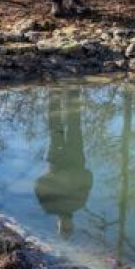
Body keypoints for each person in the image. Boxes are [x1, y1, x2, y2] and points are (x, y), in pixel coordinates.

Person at [34, 88, 93, 239]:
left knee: (56, 128)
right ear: (72, 225)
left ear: (58, 225)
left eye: (64, 228)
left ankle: (55, 95)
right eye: (68, 228)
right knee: (73, 125)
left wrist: (55, 176)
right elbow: (89, 177)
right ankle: (72, 93)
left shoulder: (50, 207)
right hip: (75, 160)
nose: (67, 225)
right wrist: (72, 176)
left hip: (57, 161)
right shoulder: (79, 204)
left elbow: (39, 184)